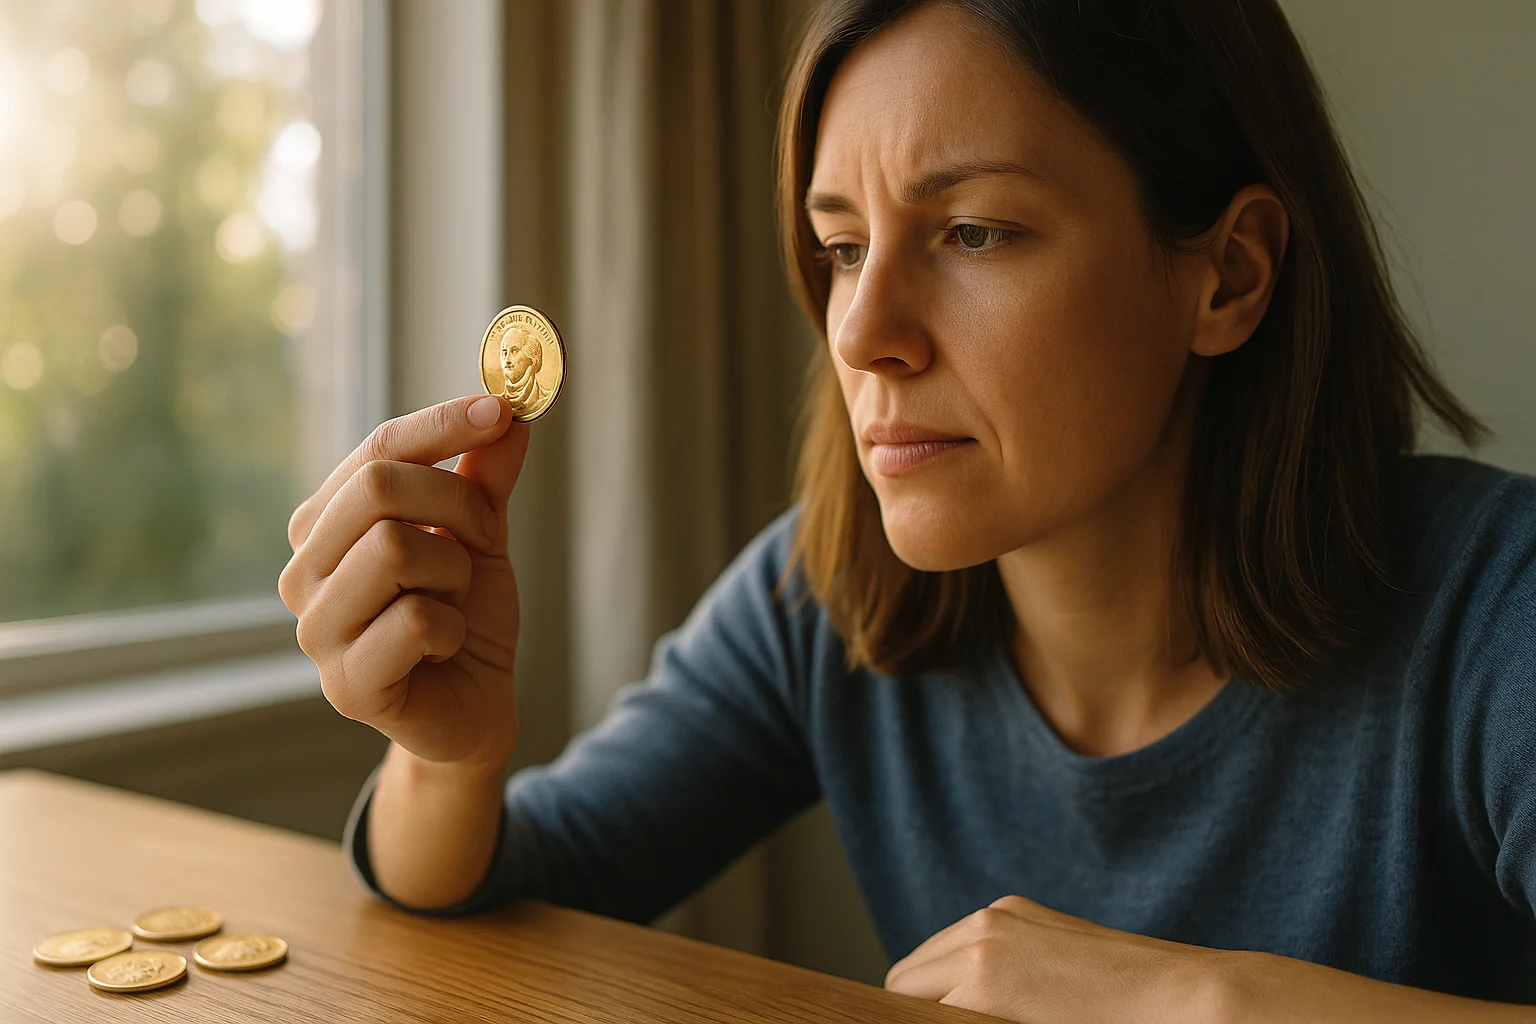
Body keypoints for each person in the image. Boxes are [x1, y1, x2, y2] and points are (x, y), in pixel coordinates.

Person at [278, 0, 1536, 1020]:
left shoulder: (1495, 611)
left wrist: (1202, 1000)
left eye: (976, 232)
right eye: (839, 248)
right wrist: (449, 755)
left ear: (1231, 275)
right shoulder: (820, 599)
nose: (863, 334)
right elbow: (498, 883)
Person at [497, 323, 549, 412]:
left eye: (514, 351)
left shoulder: (545, 399)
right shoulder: (497, 403)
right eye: (504, 352)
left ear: (531, 358)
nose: (507, 360)